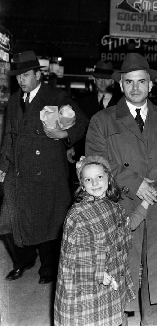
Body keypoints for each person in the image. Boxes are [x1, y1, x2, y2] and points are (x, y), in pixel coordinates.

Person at [85, 53, 157, 326]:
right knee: (121, 274)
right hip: (122, 206)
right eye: (129, 82)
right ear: (120, 84)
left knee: (156, 276)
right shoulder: (101, 121)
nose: (136, 87)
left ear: (151, 85)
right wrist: (135, 183)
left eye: (141, 81)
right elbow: (96, 164)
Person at [0, 50, 89, 284]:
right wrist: (2, 165)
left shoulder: (55, 97)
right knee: (7, 220)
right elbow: (8, 135)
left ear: (38, 75)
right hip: (17, 168)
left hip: (46, 168)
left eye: (26, 75)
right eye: (18, 76)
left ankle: (48, 267)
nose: (21, 80)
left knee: (48, 219)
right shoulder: (13, 100)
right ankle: (24, 258)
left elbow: (81, 121)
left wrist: (65, 134)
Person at [54, 155, 142, 326]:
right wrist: (98, 271)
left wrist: (144, 206)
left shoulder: (112, 206)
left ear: (109, 179)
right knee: (89, 317)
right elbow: (76, 252)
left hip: (110, 274)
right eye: (88, 179)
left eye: (99, 177)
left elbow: (124, 228)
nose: (94, 183)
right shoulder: (79, 214)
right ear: (82, 185)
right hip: (85, 280)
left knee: (110, 313)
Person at [67, 60, 122, 187]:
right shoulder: (84, 101)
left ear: (112, 81)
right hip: (87, 153)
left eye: (106, 79)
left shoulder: (121, 103)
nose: (103, 82)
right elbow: (78, 126)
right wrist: (71, 147)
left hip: (113, 155)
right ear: (94, 80)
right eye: (99, 78)